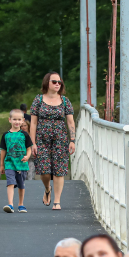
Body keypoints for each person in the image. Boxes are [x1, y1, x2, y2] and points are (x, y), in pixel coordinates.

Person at [29, 71, 76, 210]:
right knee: (44, 171)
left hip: (60, 139)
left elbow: (70, 122)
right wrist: (33, 143)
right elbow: (33, 123)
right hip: (42, 139)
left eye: (59, 82)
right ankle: (47, 189)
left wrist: (72, 140)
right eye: (54, 82)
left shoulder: (65, 101)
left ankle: (57, 201)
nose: (57, 84)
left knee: (59, 170)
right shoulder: (38, 100)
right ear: (47, 83)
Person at [0, 108, 34, 213]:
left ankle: (21, 204)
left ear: (23, 120)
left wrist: (27, 156)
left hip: (21, 164)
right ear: (9, 120)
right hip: (9, 163)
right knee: (10, 183)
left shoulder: (24, 135)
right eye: (14, 119)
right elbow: (3, 150)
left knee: (21, 185)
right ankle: (10, 204)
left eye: (19, 120)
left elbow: (29, 148)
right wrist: (2, 165)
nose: (17, 122)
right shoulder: (6, 135)